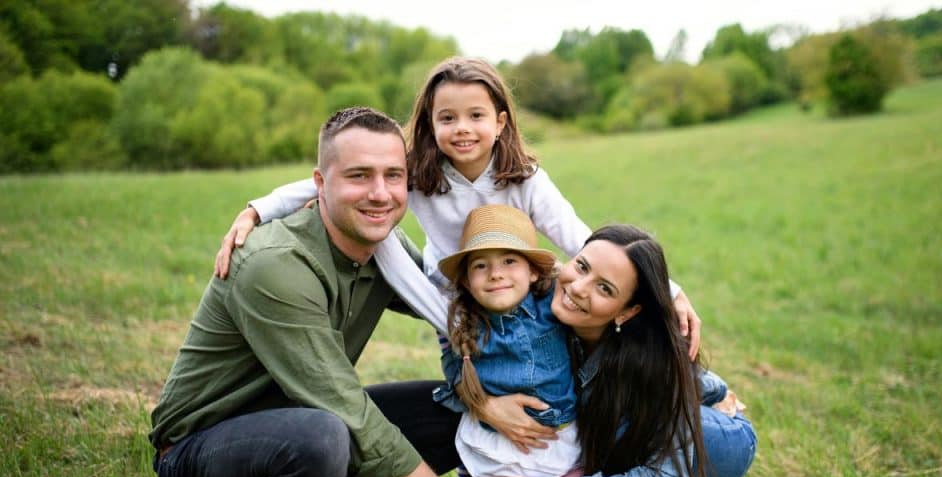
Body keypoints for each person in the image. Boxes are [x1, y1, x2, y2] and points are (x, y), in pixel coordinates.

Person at [148, 106, 560, 477]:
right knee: (322, 440)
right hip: (200, 453)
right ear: (320, 185)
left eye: (393, 176)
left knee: (449, 410)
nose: (380, 194)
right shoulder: (275, 265)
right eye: (359, 176)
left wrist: (585, 296)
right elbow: (353, 419)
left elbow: (464, 305)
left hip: (302, 424)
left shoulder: (384, 249)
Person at [213, 55, 704, 359]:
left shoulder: (526, 179)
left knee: (557, 365)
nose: (462, 128)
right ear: (430, 121)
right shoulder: (419, 174)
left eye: (476, 116)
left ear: (502, 122)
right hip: (454, 300)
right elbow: (327, 183)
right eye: (447, 117)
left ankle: (697, 393)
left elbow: (579, 237)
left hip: (524, 293)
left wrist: (671, 289)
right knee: (473, 383)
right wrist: (256, 210)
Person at [458, 225, 758, 477]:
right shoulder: (538, 301)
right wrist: (482, 403)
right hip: (645, 435)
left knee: (624, 426)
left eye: (604, 288)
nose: (578, 289)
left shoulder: (645, 367)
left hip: (716, 440)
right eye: (582, 267)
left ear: (626, 312)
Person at [439, 204, 595, 477]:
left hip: (564, 456)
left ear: (533, 270)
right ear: (465, 279)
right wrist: (480, 400)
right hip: (501, 465)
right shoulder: (466, 323)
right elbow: (453, 367)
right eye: (480, 265)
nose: (495, 275)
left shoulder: (555, 307)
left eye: (510, 260)